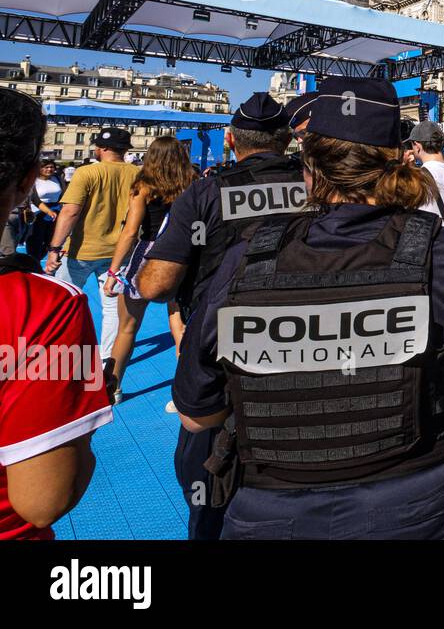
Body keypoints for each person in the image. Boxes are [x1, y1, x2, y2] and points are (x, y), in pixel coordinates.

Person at [166, 77, 444, 539]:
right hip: (413, 503)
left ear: (309, 167)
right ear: (399, 160)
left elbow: (196, 413)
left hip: (273, 509)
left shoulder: (248, 261)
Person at [137, 92, 305, 540]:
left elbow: (154, 285)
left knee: (209, 488)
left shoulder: (207, 190)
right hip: (309, 351)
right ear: (288, 139)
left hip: (223, 356)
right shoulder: (319, 186)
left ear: (229, 140)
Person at [0, 90, 111, 539]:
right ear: (27, 179)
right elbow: (44, 501)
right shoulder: (45, 308)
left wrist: (54, 248)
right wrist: (80, 432)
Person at [101, 136, 196, 401]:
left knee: (127, 328)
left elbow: (131, 232)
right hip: (182, 254)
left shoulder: (143, 187)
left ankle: (114, 388)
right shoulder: (193, 184)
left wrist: (113, 271)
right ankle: (185, 391)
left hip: (148, 256)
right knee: (181, 326)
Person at [43, 127, 137, 364]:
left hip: (81, 250)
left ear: (102, 148)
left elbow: (70, 211)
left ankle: (62, 353)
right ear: (125, 149)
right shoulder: (137, 174)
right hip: (120, 252)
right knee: (112, 309)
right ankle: (107, 359)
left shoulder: (87, 173)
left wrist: (54, 249)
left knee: (64, 303)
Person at [25, 160, 64, 266]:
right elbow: (35, 199)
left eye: (51, 167)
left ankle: (39, 261)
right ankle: (32, 263)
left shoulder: (57, 178)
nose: (49, 169)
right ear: (40, 168)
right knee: (35, 241)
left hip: (55, 212)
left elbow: (63, 194)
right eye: (46, 167)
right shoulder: (34, 180)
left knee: (50, 241)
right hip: (38, 214)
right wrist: (48, 211)